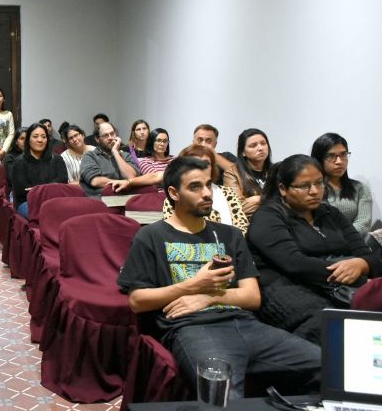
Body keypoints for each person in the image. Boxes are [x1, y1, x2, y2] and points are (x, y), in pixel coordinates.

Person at [119, 157, 321, 398]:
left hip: (247, 325)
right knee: (222, 397)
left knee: (327, 367)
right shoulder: (150, 236)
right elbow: (137, 301)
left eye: (208, 185)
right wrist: (194, 284)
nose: (207, 193)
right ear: (173, 193)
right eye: (195, 187)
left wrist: (208, 297)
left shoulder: (230, 235)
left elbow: (252, 296)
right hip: (193, 330)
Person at [247, 154, 382, 343]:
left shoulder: (331, 213)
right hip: (289, 287)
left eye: (319, 183)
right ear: (283, 189)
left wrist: (361, 264)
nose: (314, 191)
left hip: (338, 284)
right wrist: (354, 275)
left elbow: (370, 257)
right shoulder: (268, 217)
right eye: (304, 186)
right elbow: (295, 264)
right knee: (327, 323)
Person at [162, 144, 250, 234]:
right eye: (194, 163)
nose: (200, 167)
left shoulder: (227, 192)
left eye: (206, 163)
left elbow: (242, 227)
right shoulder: (175, 198)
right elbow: (173, 232)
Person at [310, 132, 372, 236]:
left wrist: (338, 237)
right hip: (320, 246)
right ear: (319, 159)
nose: (339, 161)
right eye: (331, 156)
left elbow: (364, 224)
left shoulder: (359, 188)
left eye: (343, 154)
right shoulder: (312, 189)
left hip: (354, 245)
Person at [11, 123, 68, 218]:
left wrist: (37, 189)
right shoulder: (19, 162)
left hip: (54, 200)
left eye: (43, 136)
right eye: (35, 136)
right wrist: (50, 187)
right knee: (48, 215)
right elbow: (22, 190)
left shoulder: (57, 159)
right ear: (28, 139)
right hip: (28, 202)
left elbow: (63, 181)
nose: (40, 140)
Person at [79, 121, 139, 198]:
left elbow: (131, 177)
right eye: (105, 135)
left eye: (112, 133)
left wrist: (115, 152)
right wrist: (123, 183)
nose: (110, 137)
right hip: (100, 199)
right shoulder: (90, 156)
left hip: (125, 199)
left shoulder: (125, 155)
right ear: (97, 139)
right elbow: (96, 181)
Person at [223, 128, 273, 220]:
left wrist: (256, 199)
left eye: (263, 143)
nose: (260, 148)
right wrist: (269, 199)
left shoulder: (276, 170)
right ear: (243, 152)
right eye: (253, 145)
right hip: (251, 223)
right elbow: (237, 208)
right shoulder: (232, 173)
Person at [108, 128, 174, 193]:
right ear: (151, 142)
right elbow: (156, 178)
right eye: (158, 140)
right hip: (161, 196)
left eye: (165, 141)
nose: (162, 144)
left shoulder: (175, 159)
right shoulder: (145, 162)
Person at [3, 127, 27, 198]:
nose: (25, 141)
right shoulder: (10, 157)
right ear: (16, 141)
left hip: (36, 191)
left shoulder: (36, 154)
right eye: (22, 139)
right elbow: (12, 179)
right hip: (18, 194)